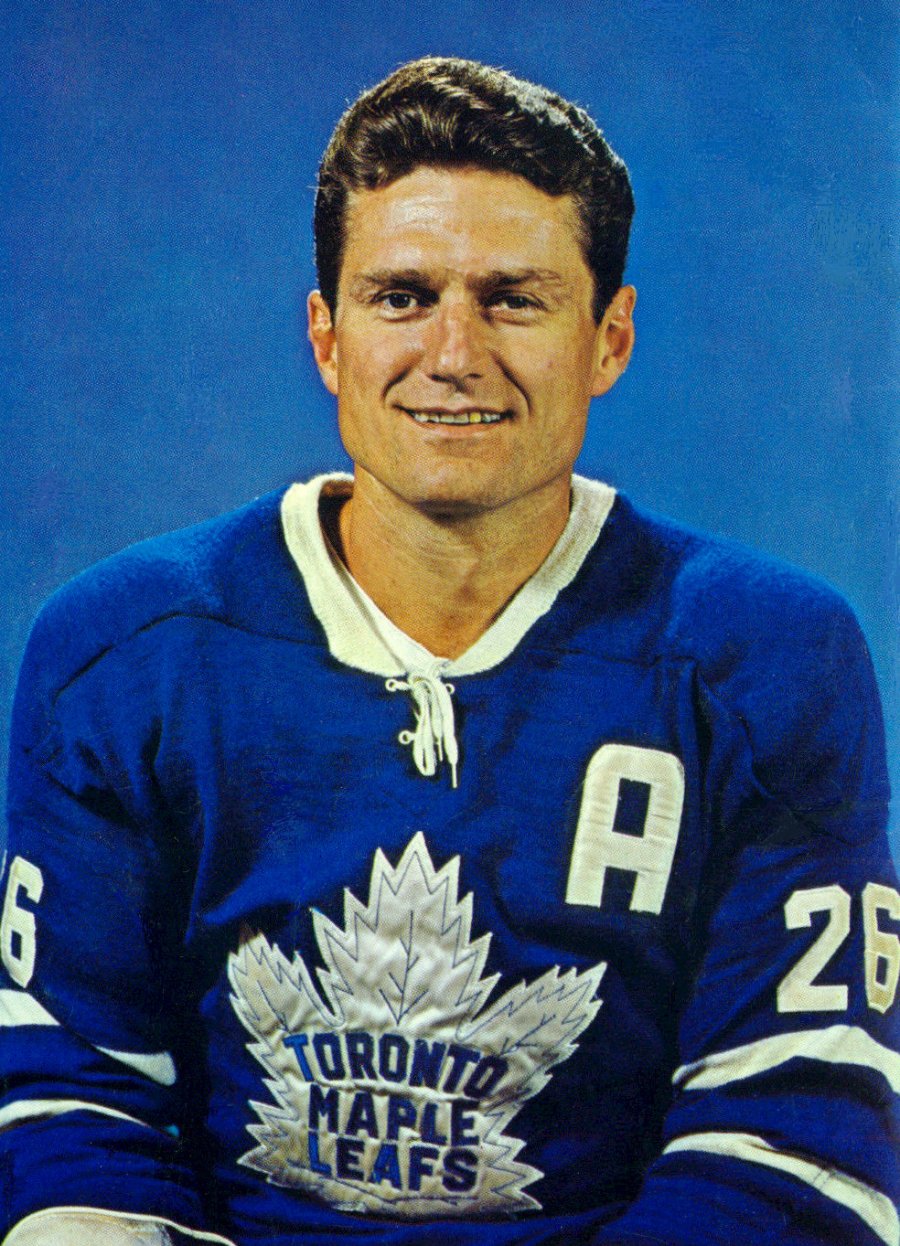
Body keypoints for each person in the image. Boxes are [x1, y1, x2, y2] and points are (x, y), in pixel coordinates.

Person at [0, 55, 896, 1246]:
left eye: (513, 299)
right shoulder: (122, 655)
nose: (454, 351)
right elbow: (70, 1108)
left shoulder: (764, 658)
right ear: (327, 337)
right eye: (401, 296)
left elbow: (793, 1139)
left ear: (610, 338)